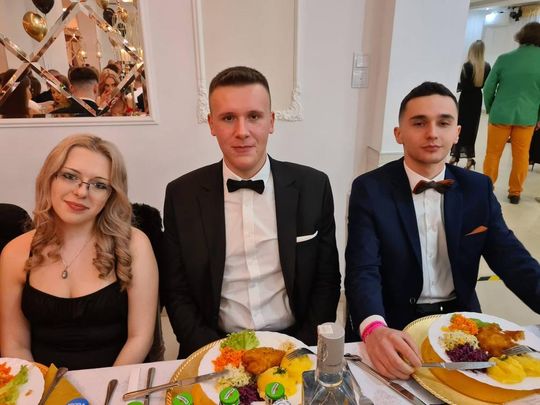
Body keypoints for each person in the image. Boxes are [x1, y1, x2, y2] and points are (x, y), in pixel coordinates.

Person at [345, 82, 540, 380]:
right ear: (398, 134)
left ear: (457, 132)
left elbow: (512, 260)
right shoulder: (370, 189)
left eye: (443, 123)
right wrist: (374, 328)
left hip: (460, 321)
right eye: (419, 123)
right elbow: (363, 268)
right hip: (393, 322)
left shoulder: (478, 188)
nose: (432, 133)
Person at [162, 66, 341, 358]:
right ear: (211, 124)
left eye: (254, 117)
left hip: (293, 341)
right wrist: (213, 353)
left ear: (271, 121)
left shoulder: (314, 186)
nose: (242, 131)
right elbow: (176, 290)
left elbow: (327, 281)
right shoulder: (181, 194)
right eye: (228, 118)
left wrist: (299, 348)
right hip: (214, 344)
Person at [0, 134, 158, 370]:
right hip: (41, 384)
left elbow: (140, 337)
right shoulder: (15, 252)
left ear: (110, 195)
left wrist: (109, 385)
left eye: (99, 185)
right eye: (70, 176)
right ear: (49, 178)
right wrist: (39, 387)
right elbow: (15, 344)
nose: (82, 192)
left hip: (118, 379)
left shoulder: (135, 244)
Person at [482, 22, 540, 204]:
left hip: (500, 114)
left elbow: (488, 88)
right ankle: (515, 192)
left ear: (521, 36)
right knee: (521, 156)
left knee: (493, 153)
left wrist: (491, 108)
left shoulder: (504, 59)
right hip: (527, 117)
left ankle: (487, 188)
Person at [449, 40, 491, 170]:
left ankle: (455, 156)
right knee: (472, 128)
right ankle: (469, 159)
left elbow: (464, 85)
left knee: (460, 126)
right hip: (477, 99)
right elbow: (486, 85)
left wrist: (457, 86)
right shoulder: (487, 67)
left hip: (466, 99)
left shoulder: (467, 66)